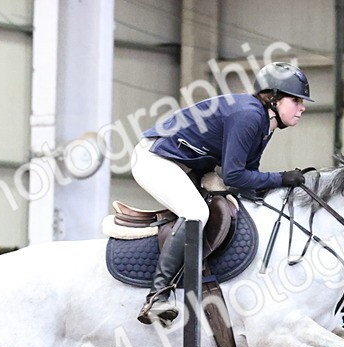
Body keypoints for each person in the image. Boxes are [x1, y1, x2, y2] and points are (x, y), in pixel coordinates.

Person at [132, 62, 313, 325]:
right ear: (273, 98)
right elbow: (234, 176)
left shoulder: (265, 123)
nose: (302, 107)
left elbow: (249, 173)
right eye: (296, 100)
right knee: (196, 213)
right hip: (156, 159)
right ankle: (157, 296)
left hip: (188, 167)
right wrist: (282, 178)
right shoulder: (249, 115)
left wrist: (274, 185)